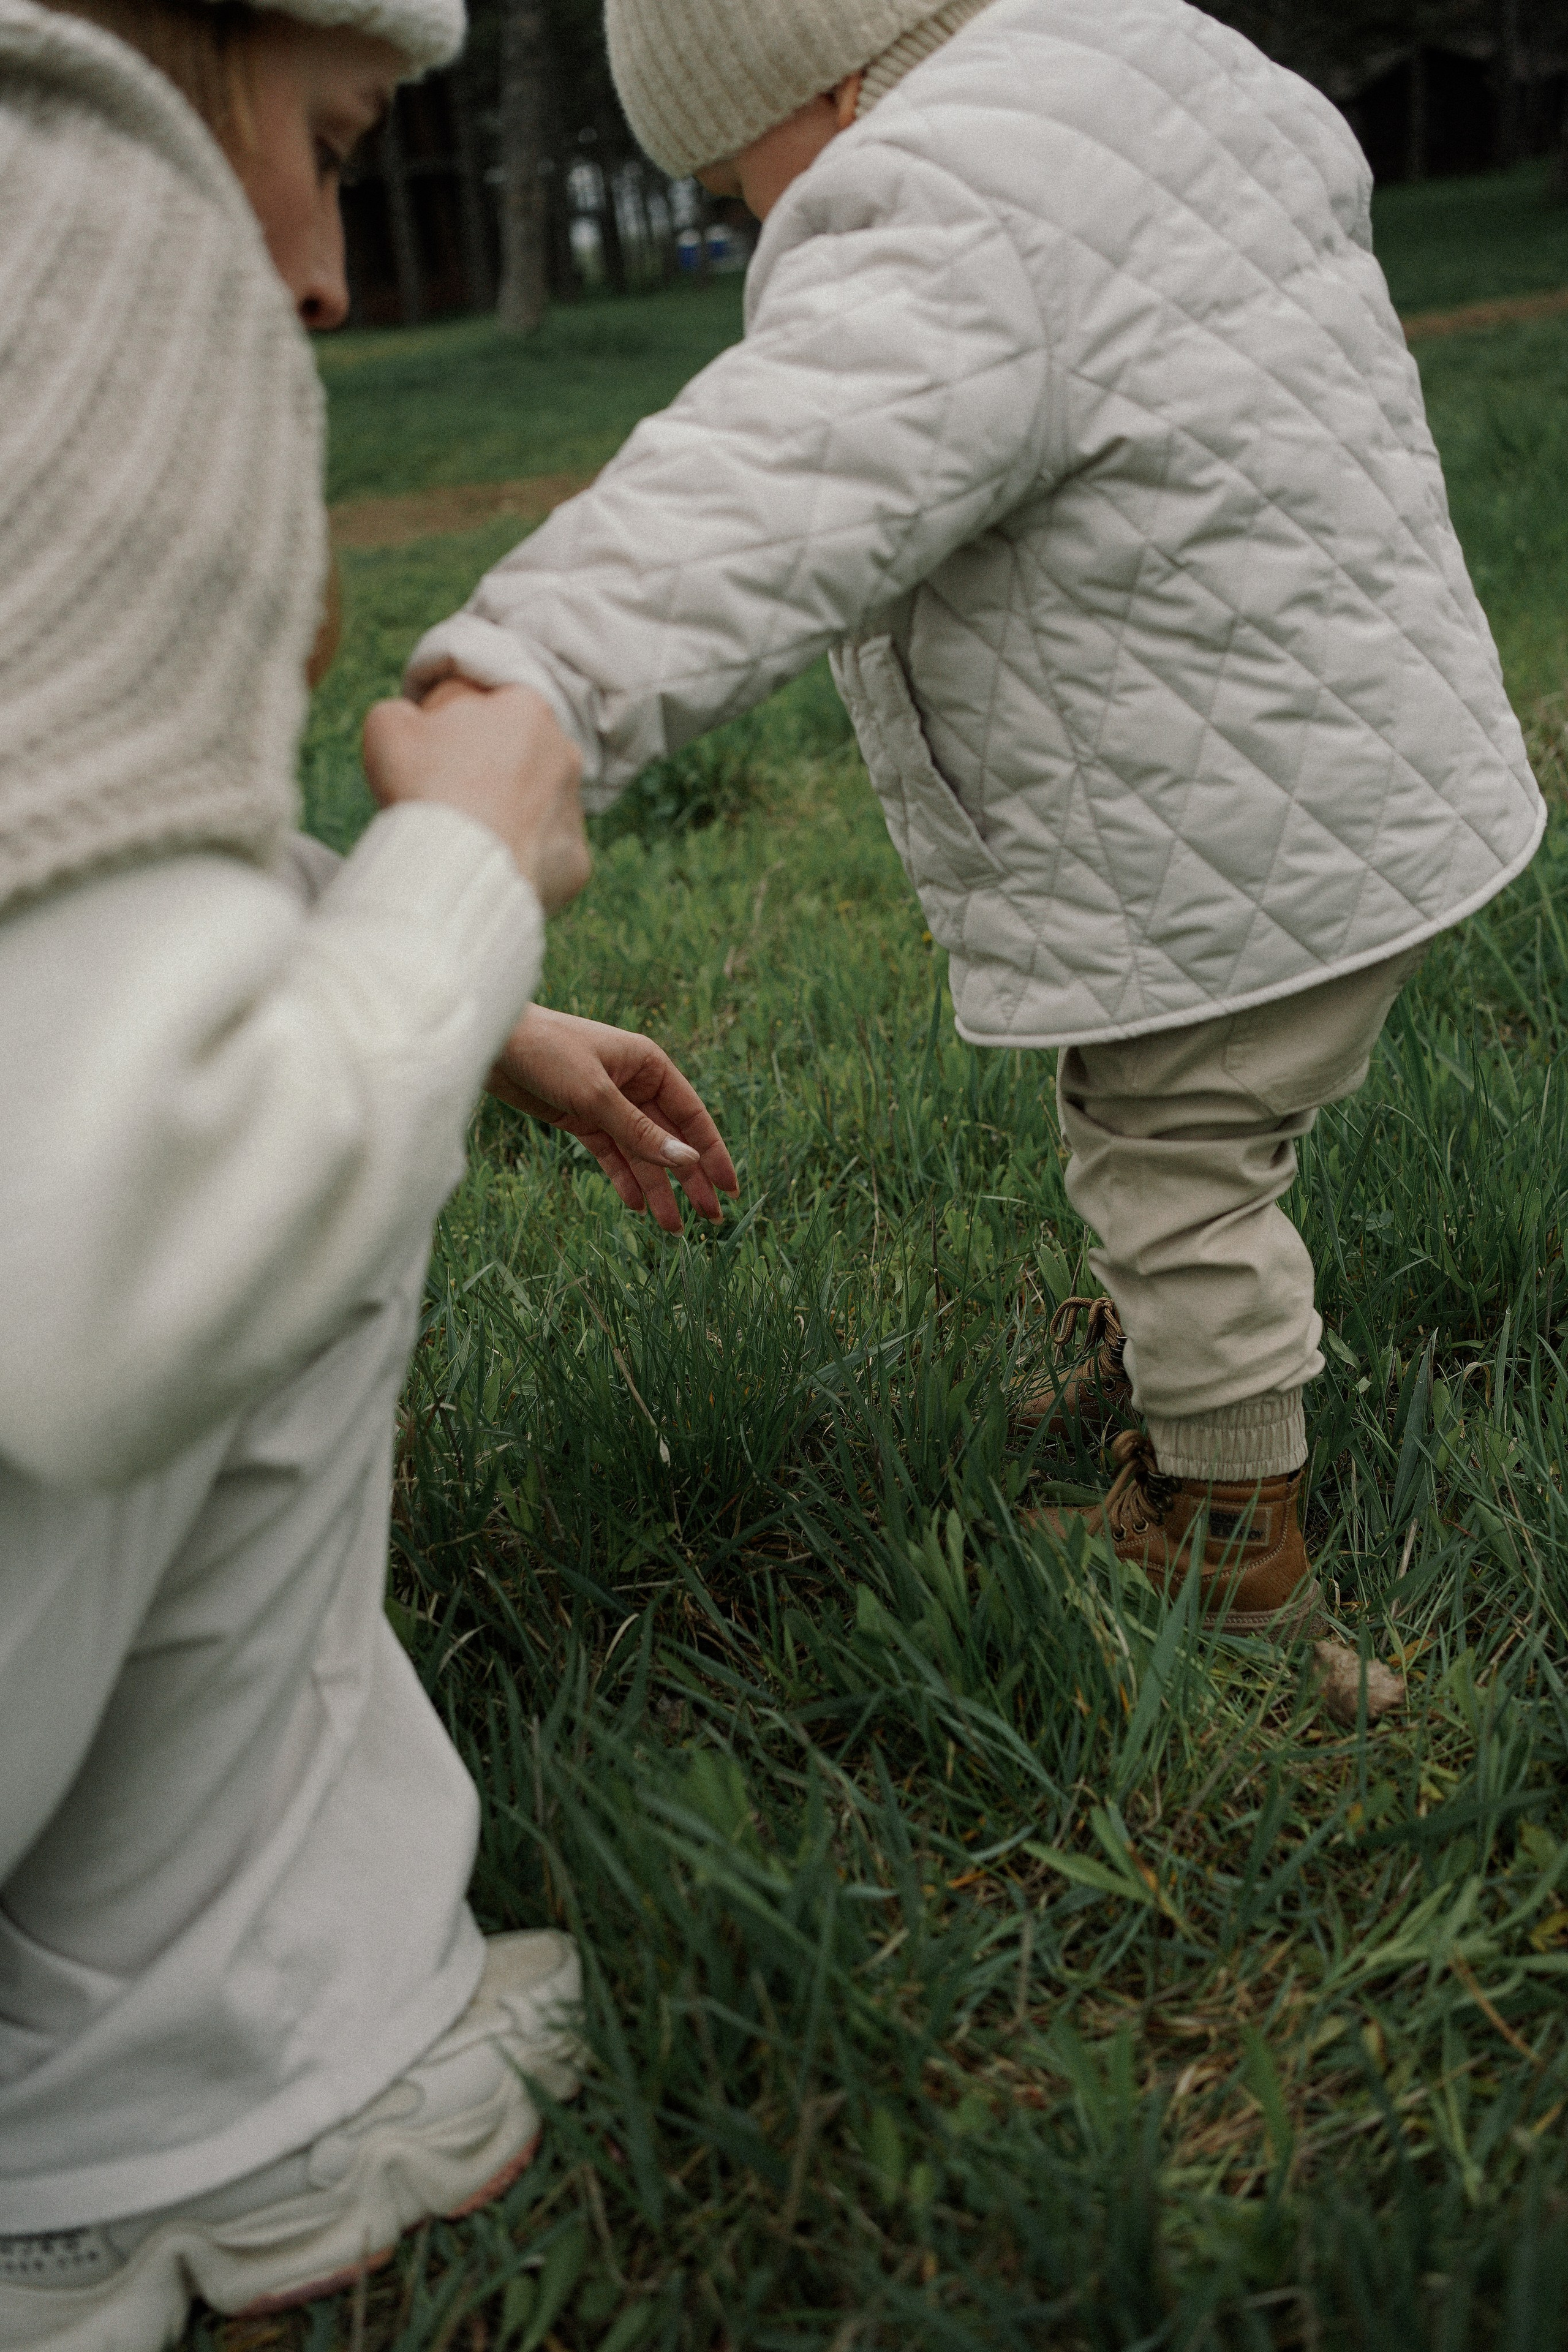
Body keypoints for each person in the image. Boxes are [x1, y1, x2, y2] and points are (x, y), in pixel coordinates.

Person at [408, 0, 1544, 1635]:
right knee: (1217, 1112)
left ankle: (1233, 1544)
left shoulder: (953, 198)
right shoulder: (1157, 62)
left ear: (826, 82)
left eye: (737, 188)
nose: (751, 227)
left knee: (1178, 1162)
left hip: (1217, 830)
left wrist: (524, 677)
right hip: (1382, 764)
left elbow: (765, 484)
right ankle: (1170, 1364)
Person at [0, 1, 735, 2344]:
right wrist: (467, 883)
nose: (317, 268)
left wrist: (433, 988)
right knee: (329, 1183)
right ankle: (189, 2087)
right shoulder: (81, 199)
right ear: (183, 35)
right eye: (331, 139)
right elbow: (125, 1270)